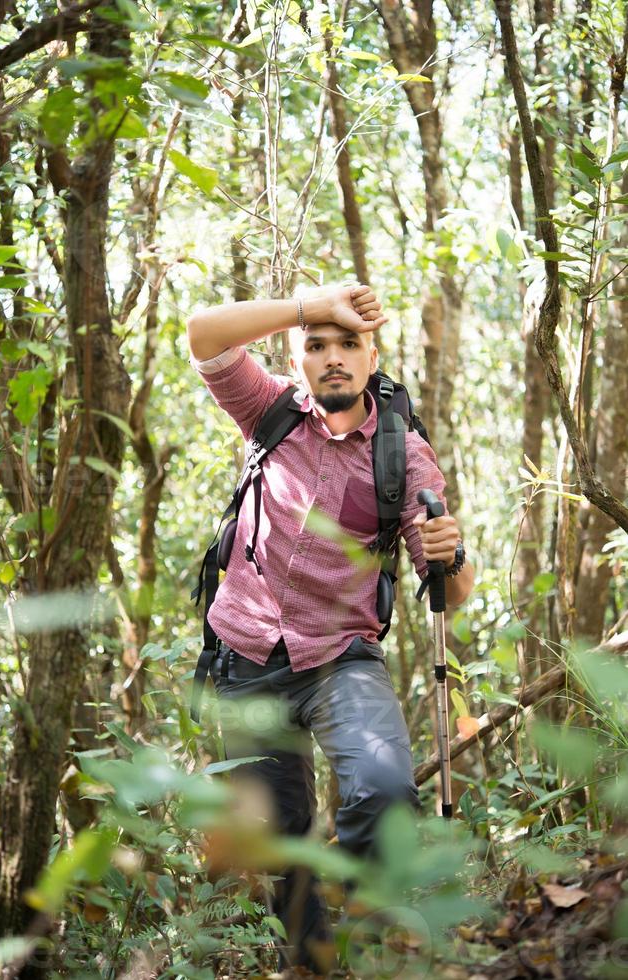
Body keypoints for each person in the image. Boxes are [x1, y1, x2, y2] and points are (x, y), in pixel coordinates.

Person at [186, 282, 474, 975]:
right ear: (299, 356)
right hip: (246, 656)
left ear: (374, 356)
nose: (333, 358)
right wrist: (312, 305)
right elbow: (203, 331)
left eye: (349, 344)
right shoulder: (270, 411)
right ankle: (313, 963)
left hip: (341, 657)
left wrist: (449, 553)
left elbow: (452, 594)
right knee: (281, 842)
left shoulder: (402, 454)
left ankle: (358, 917)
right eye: (318, 346)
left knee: (383, 789)